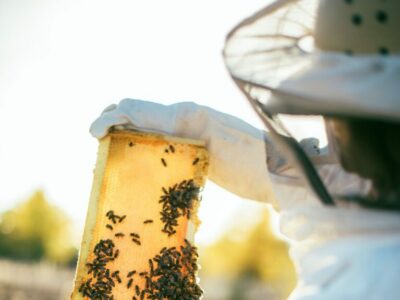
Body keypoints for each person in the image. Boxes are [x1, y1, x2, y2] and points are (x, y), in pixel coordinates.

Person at [90, 0, 400, 299]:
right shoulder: (370, 198)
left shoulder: (371, 281)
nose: (330, 123)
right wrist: (195, 132)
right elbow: (302, 176)